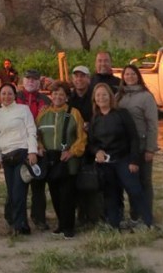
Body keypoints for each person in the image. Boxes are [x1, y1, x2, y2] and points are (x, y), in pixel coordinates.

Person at [88, 83, 153, 230]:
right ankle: (114, 223)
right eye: (98, 95)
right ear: (94, 99)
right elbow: (91, 143)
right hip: (106, 163)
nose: (101, 98)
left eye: (104, 94)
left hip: (124, 160)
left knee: (134, 190)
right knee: (111, 194)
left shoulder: (121, 114)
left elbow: (133, 138)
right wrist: (97, 151)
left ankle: (147, 222)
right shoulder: (95, 119)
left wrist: (134, 160)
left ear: (110, 96)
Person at [35, 82, 86, 239]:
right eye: (55, 93)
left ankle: (69, 227)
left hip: (68, 160)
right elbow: (36, 134)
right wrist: (39, 147)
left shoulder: (74, 113)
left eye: (61, 94)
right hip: (50, 159)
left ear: (67, 96)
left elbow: (81, 137)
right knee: (54, 193)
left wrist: (72, 151)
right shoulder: (43, 113)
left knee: (67, 194)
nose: (58, 96)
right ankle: (61, 224)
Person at [116, 64, 159, 225]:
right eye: (126, 74)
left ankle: (146, 215)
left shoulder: (146, 97)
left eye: (133, 74)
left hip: (142, 145)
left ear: (138, 76)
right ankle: (134, 214)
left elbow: (152, 124)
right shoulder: (119, 96)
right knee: (131, 182)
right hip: (125, 146)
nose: (129, 77)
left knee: (144, 181)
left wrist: (150, 148)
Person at [0, 82, 38, 236]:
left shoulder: (23, 110)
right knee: (12, 192)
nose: (6, 96)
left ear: (15, 95)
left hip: (22, 154)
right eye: (3, 94)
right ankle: (18, 222)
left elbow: (31, 130)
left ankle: (19, 226)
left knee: (19, 191)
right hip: (6, 157)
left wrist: (33, 151)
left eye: (9, 93)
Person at [16, 69, 51, 231]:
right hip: (18, 147)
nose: (31, 81)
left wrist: (40, 144)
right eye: (28, 78)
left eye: (34, 79)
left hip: (39, 148)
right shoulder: (15, 98)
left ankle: (39, 217)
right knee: (18, 186)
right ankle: (15, 219)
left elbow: (48, 126)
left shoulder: (45, 100)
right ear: (23, 80)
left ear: (39, 82)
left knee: (38, 186)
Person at [68, 65, 99, 227]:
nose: (79, 79)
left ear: (88, 79)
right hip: (75, 146)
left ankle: (94, 215)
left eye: (82, 76)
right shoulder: (70, 98)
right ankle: (81, 215)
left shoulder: (95, 97)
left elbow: (102, 115)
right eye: (76, 76)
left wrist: (90, 125)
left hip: (92, 145)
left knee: (92, 181)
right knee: (76, 181)